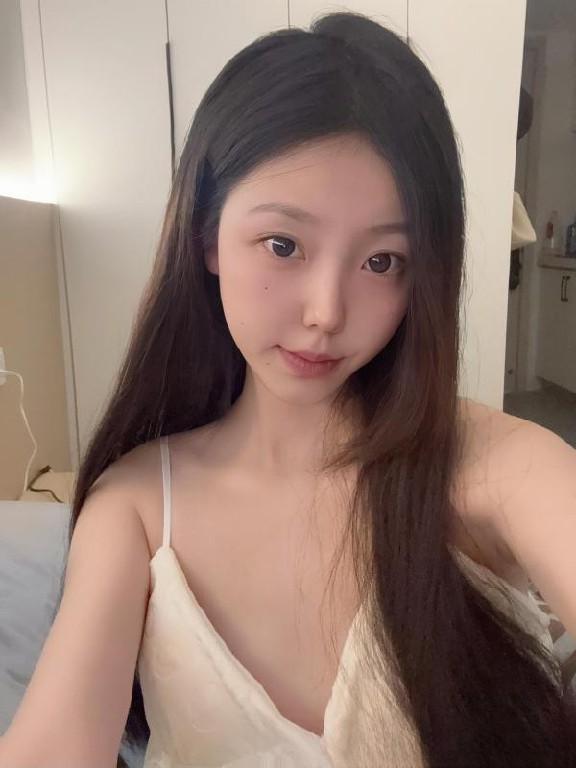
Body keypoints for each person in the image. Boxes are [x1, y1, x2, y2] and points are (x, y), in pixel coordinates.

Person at [1, 11, 575, 768]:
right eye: (283, 244)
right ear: (208, 235)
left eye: (382, 262)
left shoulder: (496, 468)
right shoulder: (138, 508)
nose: (326, 313)